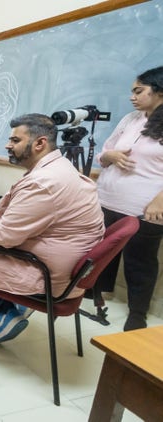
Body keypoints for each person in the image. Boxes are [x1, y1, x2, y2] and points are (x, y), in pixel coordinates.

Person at [0, 114, 104, 344]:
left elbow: (3, 237)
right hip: (64, 261)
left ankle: (4, 313)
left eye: (15, 140)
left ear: (40, 143)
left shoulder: (43, 183)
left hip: (47, 270)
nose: (8, 145)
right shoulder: (61, 166)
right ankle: (9, 306)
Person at [94, 65, 163, 331]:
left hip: (144, 208)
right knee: (102, 252)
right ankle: (97, 294)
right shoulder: (131, 119)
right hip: (107, 200)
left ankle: (138, 314)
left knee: (140, 262)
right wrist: (107, 157)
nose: (132, 96)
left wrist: (159, 200)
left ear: (159, 91)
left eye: (139, 91)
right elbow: (105, 151)